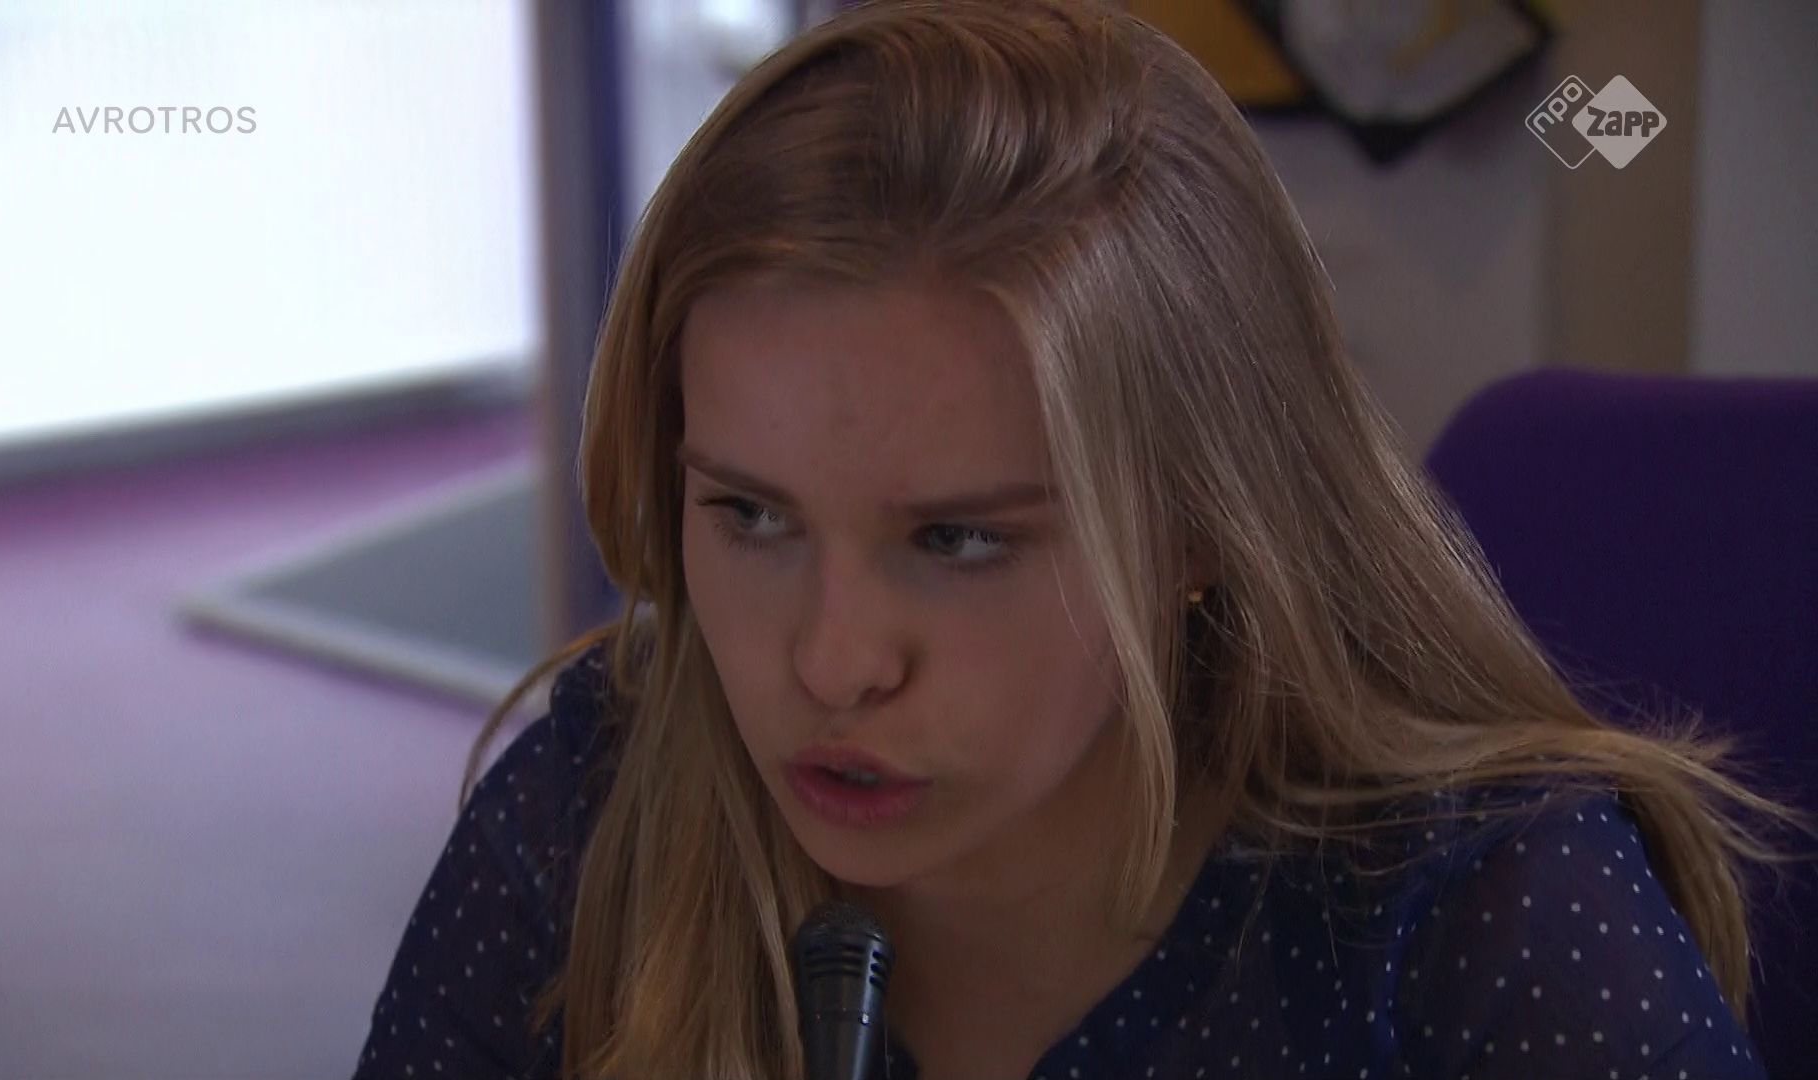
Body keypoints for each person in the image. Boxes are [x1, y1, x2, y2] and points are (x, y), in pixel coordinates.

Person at [351, 1, 1794, 1077]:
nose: (833, 663)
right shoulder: (600, 810)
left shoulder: (1482, 913)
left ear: (1202, 526)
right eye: (750, 513)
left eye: (957, 540)